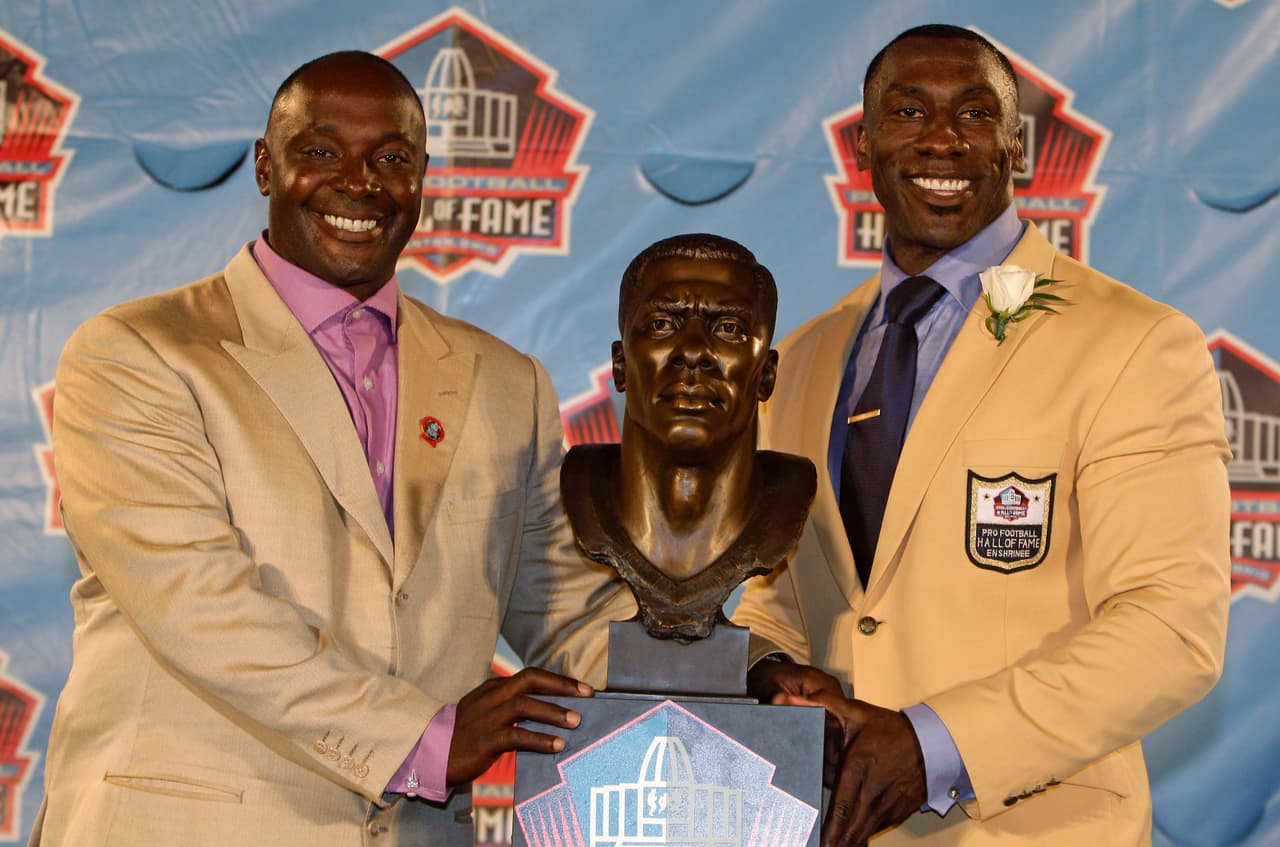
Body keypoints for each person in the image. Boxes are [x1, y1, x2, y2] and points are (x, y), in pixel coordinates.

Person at [32, 51, 627, 846]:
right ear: (264, 165)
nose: (358, 182)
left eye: (391, 158)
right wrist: (427, 740)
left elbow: (566, 603)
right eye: (320, 151)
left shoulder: (503, 381)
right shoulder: (138, 353)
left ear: (422, 179)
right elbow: (199, 602)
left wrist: (735, 684)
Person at [733, 24, 1231, 847]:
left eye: (973, 113)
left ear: (1017, 146)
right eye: (907, 112)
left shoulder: (1132, 342)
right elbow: (778, 597)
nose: (940, 139)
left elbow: (1171, 627)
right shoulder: (807, 357)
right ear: (863, 143)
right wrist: (770, 672)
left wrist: (936, 744)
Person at [560, 234, 815, 643]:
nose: (693, 351)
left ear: (766, 374)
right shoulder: (575, 487)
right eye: (662, 325)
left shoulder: (791, 495)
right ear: (620, 365)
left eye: (729, 328)